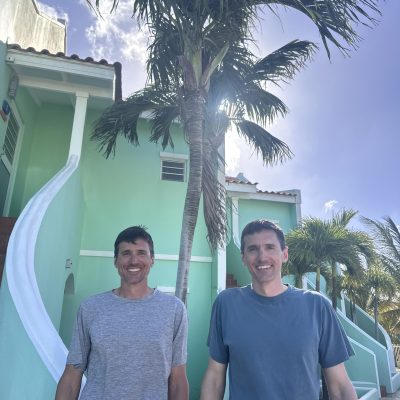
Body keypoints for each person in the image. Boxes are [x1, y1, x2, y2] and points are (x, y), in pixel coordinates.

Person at [200, 219, 357, 400]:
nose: (262, 257)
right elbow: (215, 378)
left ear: (285, 254)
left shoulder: (317, 306)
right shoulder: (226, 304)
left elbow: (340, 386)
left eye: (270, 247)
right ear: (243, 258)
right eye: (253, 249)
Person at [56, 226, 189, 400]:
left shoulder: (174, 309)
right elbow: (72, 373)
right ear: (115, 261)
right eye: (126, 253)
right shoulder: (91, 308)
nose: (134, 260)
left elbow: (178, 380)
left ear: (152, 260)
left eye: (141, 253)